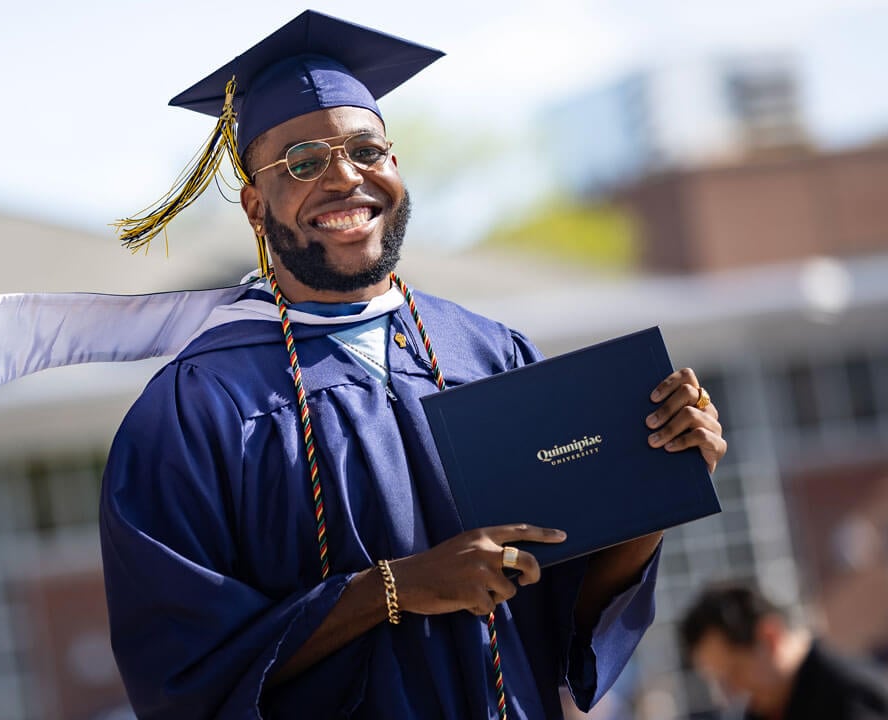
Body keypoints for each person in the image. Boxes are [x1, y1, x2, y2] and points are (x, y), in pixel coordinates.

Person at [97, 10, 728, 720]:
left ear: (394, 166)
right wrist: (392, 589)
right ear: (254, 205)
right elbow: (185, 675)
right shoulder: (195, 412)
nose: (344, 177)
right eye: (301, 163)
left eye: (367, 149)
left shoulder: (494, 356)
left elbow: (560, 626)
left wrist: (658, 483)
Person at [680, 584, 888, 720]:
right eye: (719, 680)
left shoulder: (851, 697)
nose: (731, 691)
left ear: (770, 636)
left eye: (735, 671)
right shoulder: (765, 709)